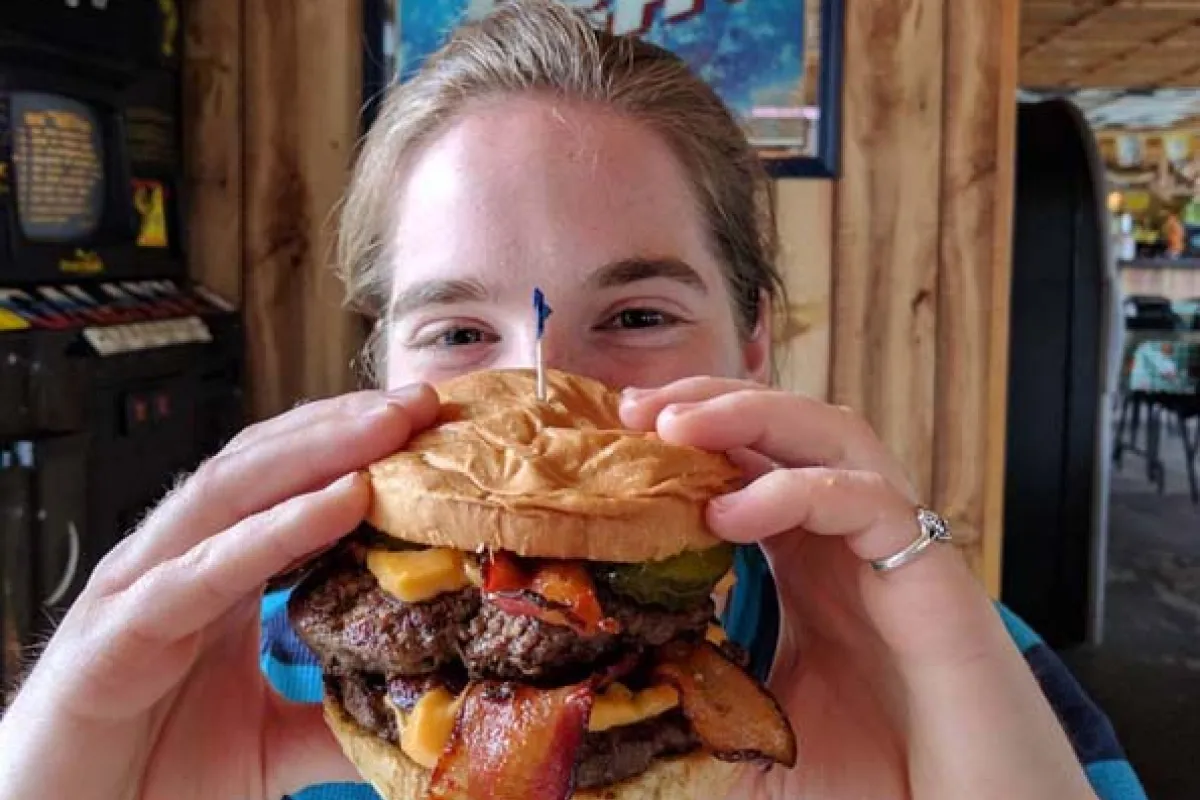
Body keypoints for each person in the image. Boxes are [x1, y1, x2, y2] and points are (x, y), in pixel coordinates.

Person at [0, 3, 1147, 799]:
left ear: (752, 341)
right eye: (458, 332)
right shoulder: (239, 679)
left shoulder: (944, 670)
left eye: (639, 314)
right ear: (379, 371)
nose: (544, 405)